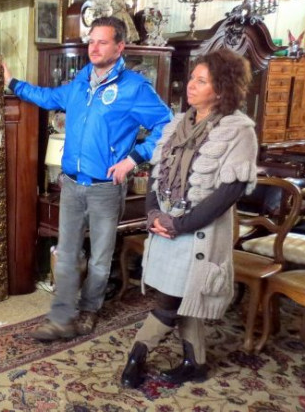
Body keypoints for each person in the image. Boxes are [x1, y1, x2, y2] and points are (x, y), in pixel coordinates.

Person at [3, 16, 171, 341]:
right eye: (91, 41)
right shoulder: (80, 83)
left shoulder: (135, 88)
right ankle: (62, 316)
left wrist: (133, 159)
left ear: (119, 47)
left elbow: (167, 124)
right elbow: (48, 97)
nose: (93, 48)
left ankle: (90, 309)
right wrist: (13, 84)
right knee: (67, 253)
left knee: (100, 257)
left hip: (105, 188)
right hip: (71, 184)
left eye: (102, 42)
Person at [120, 49, 257, 389]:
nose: (191, 86)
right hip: (166, 225)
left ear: (222, 89)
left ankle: (136, 356)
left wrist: (181, 225)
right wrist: (153, 213)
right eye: (192, 78)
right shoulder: (177, 124)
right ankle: (195, 363)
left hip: (198, 232)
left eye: (201, 81)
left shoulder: (239, 131)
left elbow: (230, 191)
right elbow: (157, 174)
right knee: (185, 296)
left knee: (170, 301)